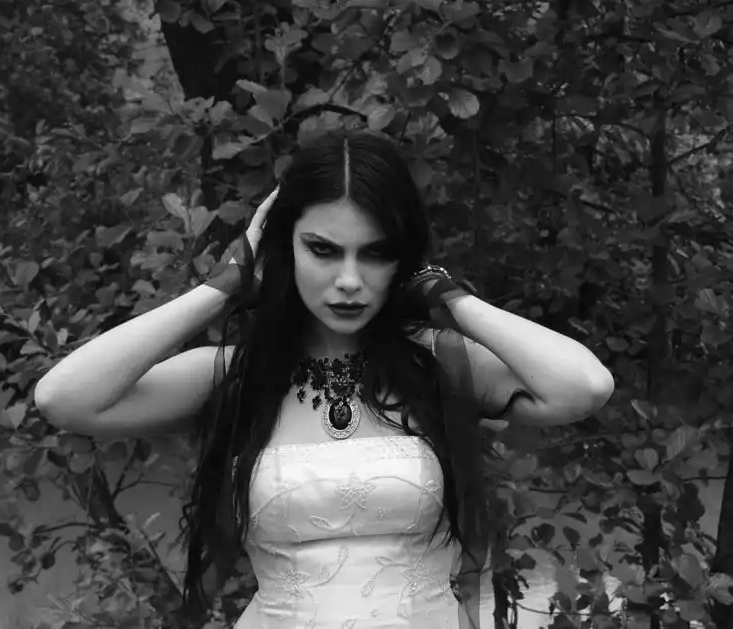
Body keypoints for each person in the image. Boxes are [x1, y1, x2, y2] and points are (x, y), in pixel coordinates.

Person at [35, 130, 614, 628]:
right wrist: (223, 286)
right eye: (322, 250)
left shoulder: (440, 363)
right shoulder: (237, 374)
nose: (349, 280)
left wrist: (446, 293)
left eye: (376, 254)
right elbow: (64, 399)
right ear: (283, 247)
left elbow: (584, 387)